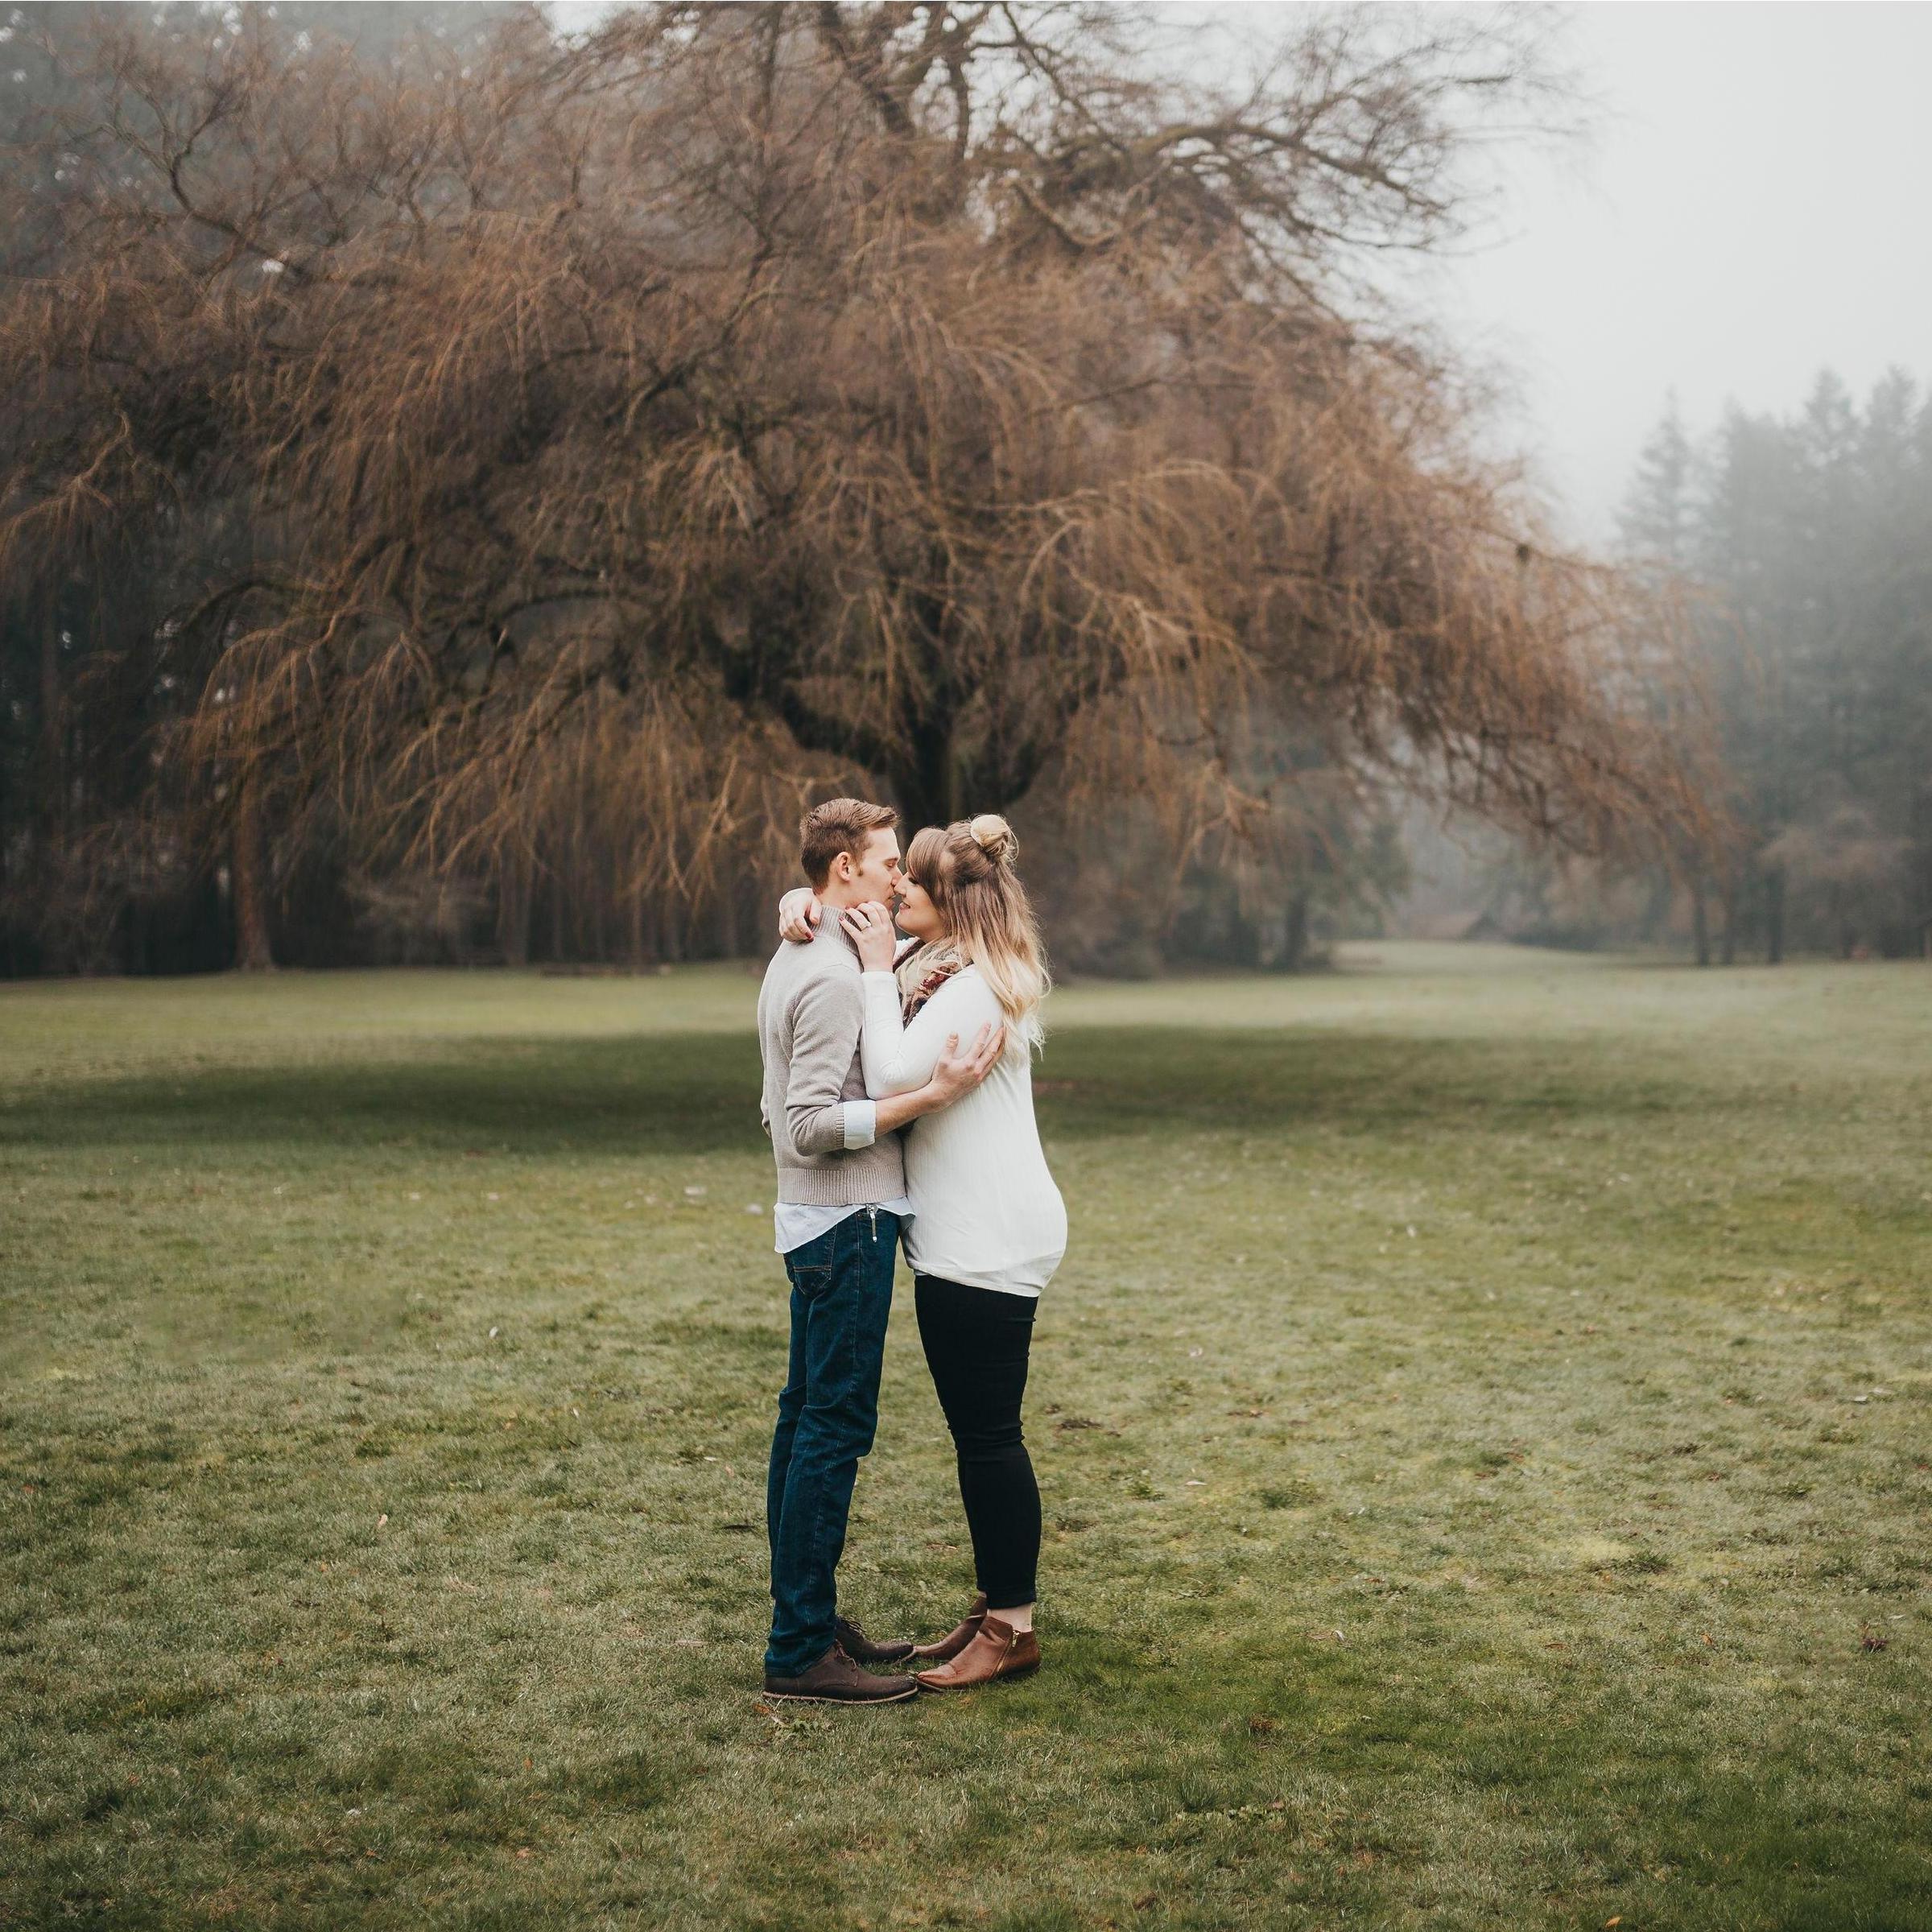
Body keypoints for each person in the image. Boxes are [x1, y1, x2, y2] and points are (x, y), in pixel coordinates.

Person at [778, 811, 1067, 1690]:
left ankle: (1012, 1628)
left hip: (985, 1235)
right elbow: (834, 909)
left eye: (914, 880)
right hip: (972, 1229)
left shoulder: (971, 985)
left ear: (952, 902)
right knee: (979, 1433)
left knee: (989, 1438)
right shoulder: (939, 965)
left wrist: (872, 971)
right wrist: (801, 900)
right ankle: (994, 1606)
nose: (897, 886)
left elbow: (897, 1076)